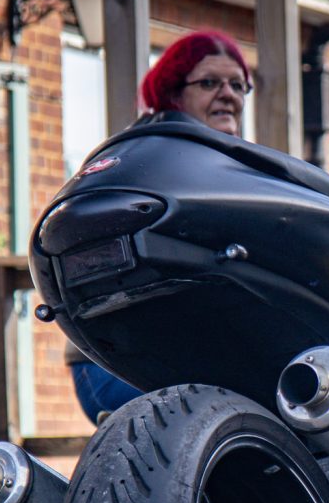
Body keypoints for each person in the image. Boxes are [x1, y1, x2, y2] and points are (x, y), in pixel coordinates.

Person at [66, 29, 252, 424]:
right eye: (209, 83)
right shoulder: (140, 157)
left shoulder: (238, 167)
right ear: (172, 91)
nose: (228, 95)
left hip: (195, 350)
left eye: (238, 85)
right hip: (117, 360)